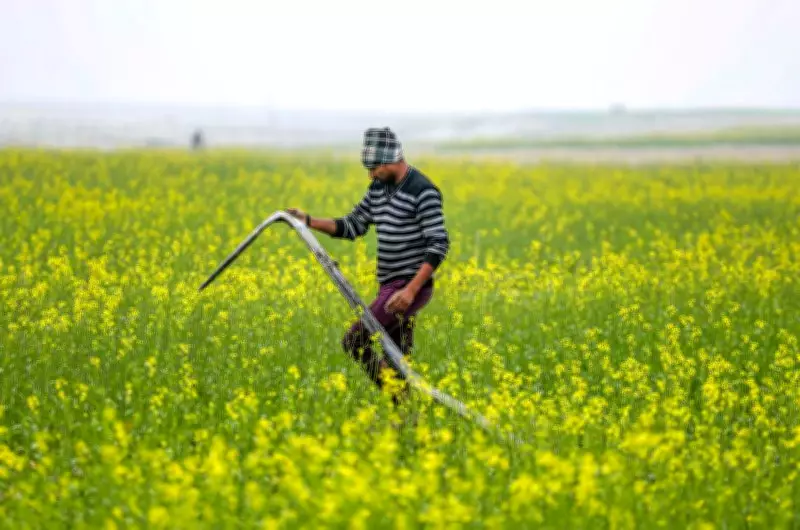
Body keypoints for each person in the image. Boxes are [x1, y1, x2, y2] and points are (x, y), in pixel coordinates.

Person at [286, 127, 450, 404]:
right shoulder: (378, 189)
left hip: (408, 289)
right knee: (398, 359)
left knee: (354, 341)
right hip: (389, 286)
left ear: (390, 160)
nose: (371, 175)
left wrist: (410, 291)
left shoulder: (423, 191)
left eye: (374, 168)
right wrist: (309, 221)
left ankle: (400, 398)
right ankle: (406, 417)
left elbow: (438, 245)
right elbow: (352, 225)